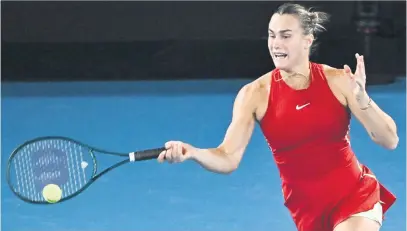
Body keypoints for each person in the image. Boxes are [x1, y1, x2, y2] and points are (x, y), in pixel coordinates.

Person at [157, 3, 399, 231]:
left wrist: (362, 99)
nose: (275, 44)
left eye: (285, 35)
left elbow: (389, 140)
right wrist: (193, 153)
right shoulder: (255, 94)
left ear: (307, 40)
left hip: (354, 194)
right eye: (272, 35)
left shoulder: (337, 81)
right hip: (306, 211)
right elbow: (228, 157)